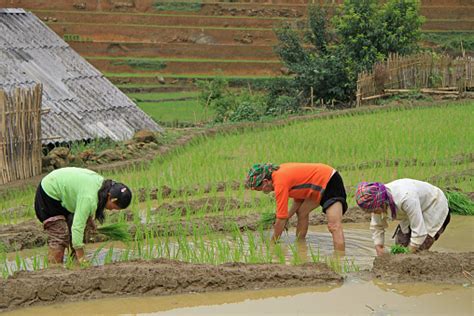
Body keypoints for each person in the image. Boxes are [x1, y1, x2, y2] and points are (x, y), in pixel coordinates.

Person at [34, 167, 132, 264]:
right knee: (60, 235)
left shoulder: (102, 186)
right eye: (114, 207)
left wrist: (89, 221)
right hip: (48, 194)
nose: (111, 210)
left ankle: (75, 263)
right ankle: (54, 270)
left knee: (82, 227)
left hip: (64, 193)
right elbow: (77, 227)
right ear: (110, 197)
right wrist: (82, 258)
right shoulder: (89, 197)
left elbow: (82, 199)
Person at [245, 163, 347, 252]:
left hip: (330, 181)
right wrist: (288, 216)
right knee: (302, 212)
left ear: (265, 181)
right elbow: (298, 199)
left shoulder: (280, 182)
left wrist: (272, 243)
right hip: (319, 184)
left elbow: (281, 218)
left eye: (260, 189)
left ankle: (340, 259)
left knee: (334, 226)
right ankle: (301, 245)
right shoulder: (279, 175)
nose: (263, 192)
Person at [355, 179, 450, 255]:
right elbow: (377, 226)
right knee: (400, 245)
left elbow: (419, 231)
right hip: (410, 209)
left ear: (382, 203)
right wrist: (379, 247)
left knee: (419, 250)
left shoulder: (406, 198)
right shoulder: (378, 199)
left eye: (375, 210)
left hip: (434, 205)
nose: (374, 213)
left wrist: (409, 254)